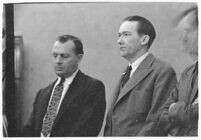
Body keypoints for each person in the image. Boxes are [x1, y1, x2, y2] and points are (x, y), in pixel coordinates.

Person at [104, 15, 177, 136]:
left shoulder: (162, 71)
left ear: (144, 40)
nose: (119, 40)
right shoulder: (127, 72)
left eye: (126, 35)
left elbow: (157, 122)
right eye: (119, 35)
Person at [21, 34, 106, 137]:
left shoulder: (92, 88)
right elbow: (29, 130)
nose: (58, 61)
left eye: (64, 56)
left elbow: (87, 131)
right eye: (55, 56)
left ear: (79, 58)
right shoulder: (42, 94)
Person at [158, 6, 198, 136]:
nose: (183, 38)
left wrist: (175, 110)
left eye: (187, 31)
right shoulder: (187, 73)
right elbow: (163, 116)